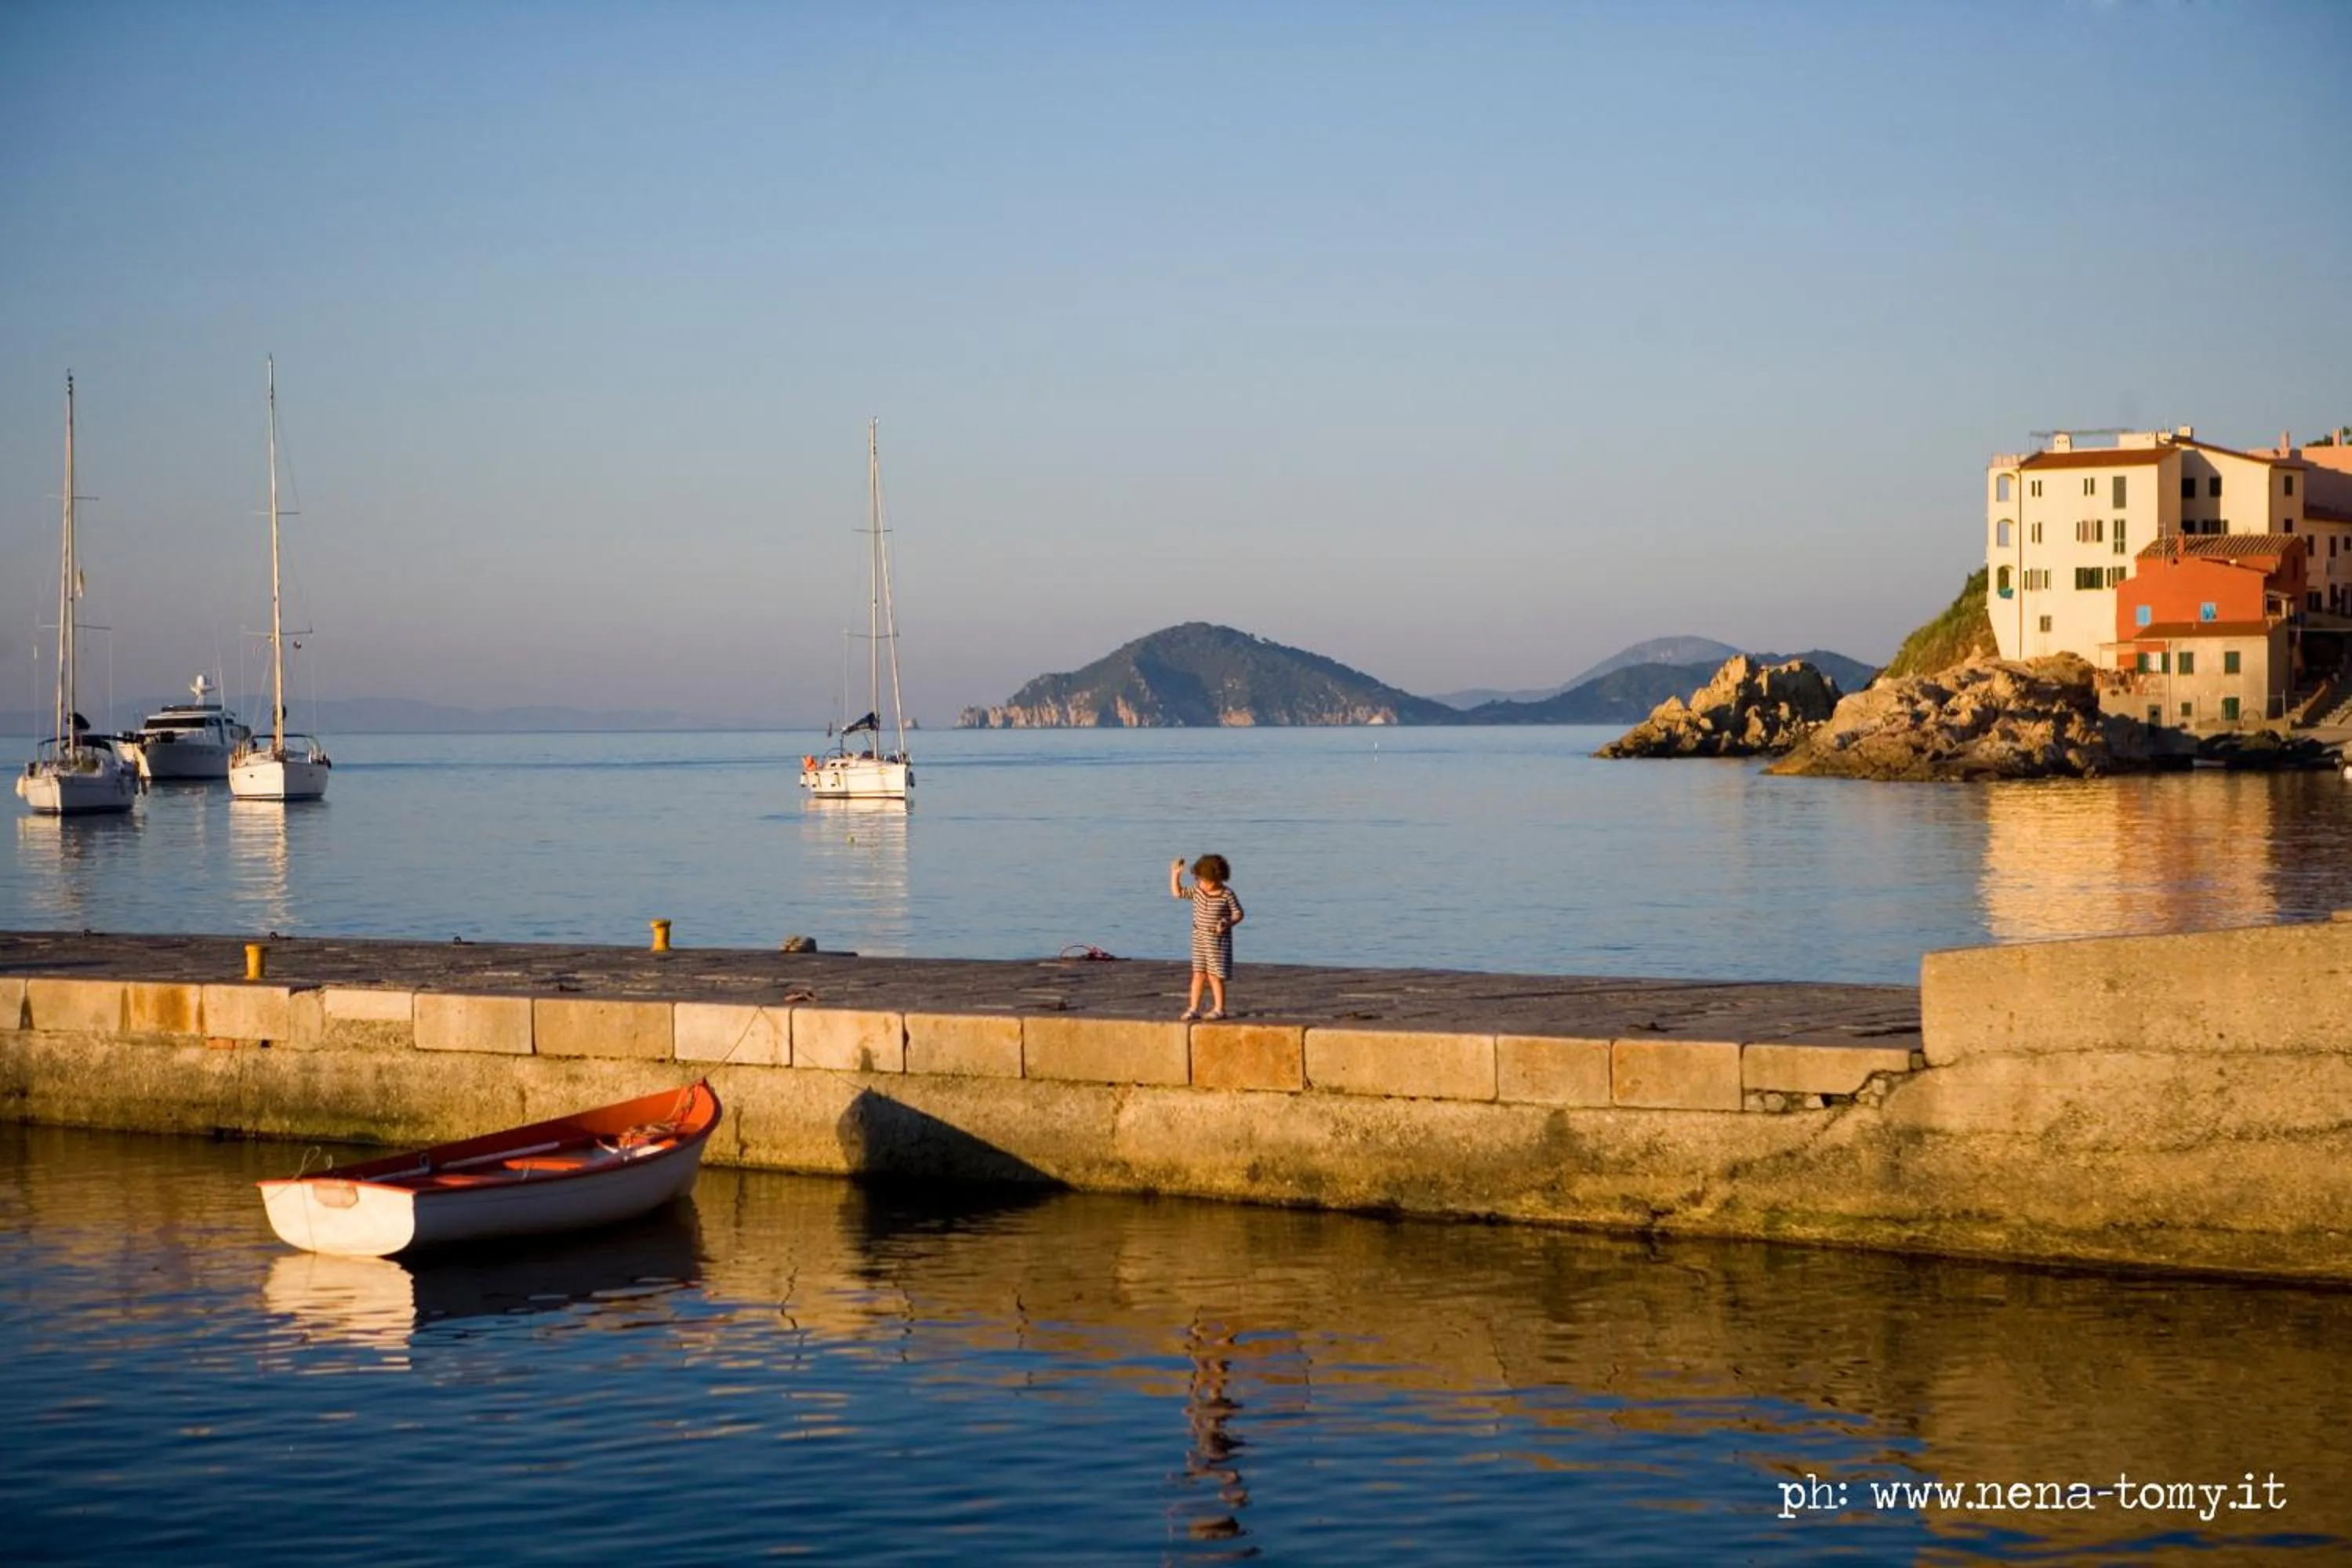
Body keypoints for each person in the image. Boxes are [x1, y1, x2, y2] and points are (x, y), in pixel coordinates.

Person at [1169, 853, 1244, 1020]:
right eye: (1198, 880)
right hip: (1199, 937)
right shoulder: (1198, 891)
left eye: (1203, 881)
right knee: (1198, 973)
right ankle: (1194, 1008)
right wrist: (1175, 875)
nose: (1199, 883)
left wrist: (1227, 922)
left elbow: (1238, 914)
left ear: (1216, 880)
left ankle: (1219, 1008)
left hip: (1217, 941)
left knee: (1215, 975)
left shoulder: (1227, 894)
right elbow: (1178, 893)